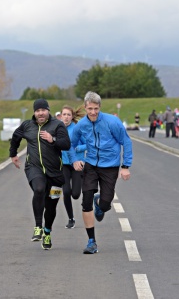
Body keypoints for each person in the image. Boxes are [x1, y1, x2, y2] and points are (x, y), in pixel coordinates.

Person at [70, 91, 133, 254]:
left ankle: (99, 203)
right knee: (85, 202)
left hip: (110, 166)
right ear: (85, 107)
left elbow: (126, 141)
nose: (93, 112)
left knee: (105, 204)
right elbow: (71, 143)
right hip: (90, 165)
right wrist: (75, 159)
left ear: (100, 107)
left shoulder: (112, 122)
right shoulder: (82, 125)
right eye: (90, 108)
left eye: (96, 108)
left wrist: (125, 166)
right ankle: (91, 241)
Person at [9, 99, 70, 250]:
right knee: (39, 189)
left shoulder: (57, 125)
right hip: (34, 167)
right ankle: (38, 227)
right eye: (37, 111)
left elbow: (66, 144)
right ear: (34, 113)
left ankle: (47, 232)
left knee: (51, 206)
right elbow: (16, 137)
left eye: (43, 110)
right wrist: (13, 154)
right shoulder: (27, 126)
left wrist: (52, 139)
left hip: (56, 173)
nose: (40, 113)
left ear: (48, 111)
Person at [60, 105, 86, 229]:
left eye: (68, 114)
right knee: (65, 191)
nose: (66, 117)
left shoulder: (77, 129)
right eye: (64, 114)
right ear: (60, 116)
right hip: (63, 164)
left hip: (77, 164)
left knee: (75, 194)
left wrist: (78, 148)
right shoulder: (57, 129)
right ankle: (71, 218)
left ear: (72, 116)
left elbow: (88, 144)